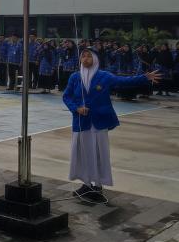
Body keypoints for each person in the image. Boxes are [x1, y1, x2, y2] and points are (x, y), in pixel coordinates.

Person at [62, 49, 159, 202]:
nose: (85, 58)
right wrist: (76, 108)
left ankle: (98, 185)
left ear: (95, 59)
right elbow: (66, 96)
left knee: (99, 153)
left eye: (89, 56)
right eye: (83, 56)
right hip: (81, 122)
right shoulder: (75, 77)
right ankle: (86, 184)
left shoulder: (104, 76)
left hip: (99, 122)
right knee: (82, 153)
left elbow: (123, 82)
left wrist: (144, 78)